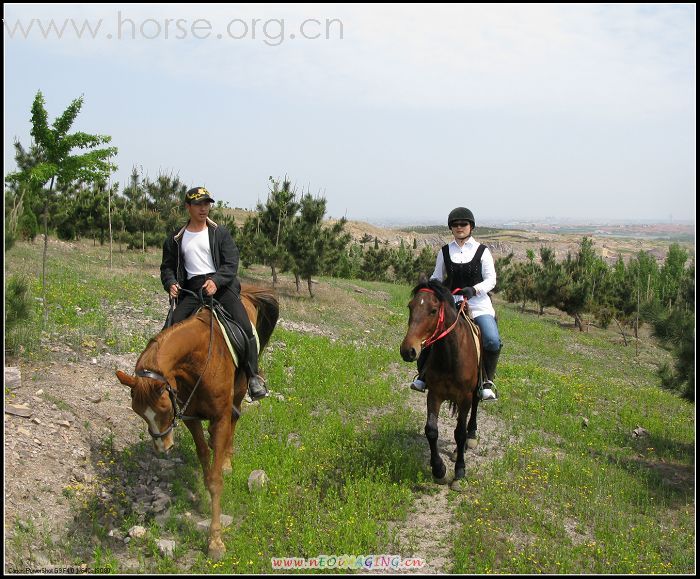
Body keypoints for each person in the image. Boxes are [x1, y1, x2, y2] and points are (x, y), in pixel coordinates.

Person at [160, 186, 268, 401]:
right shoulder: (176, 238)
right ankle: (163, 381)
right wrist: (171, 283)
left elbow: (231, 263)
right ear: (188, 207)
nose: (203, 208)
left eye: (206, 204)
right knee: (169, 330)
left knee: (245, 327)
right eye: (198, 204)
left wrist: (216, 281)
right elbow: (167, 267)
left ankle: (253, 377)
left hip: (221, 287)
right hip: (191, 290)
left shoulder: (220, 233)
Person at [410, 207, 502, 401]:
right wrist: (431, 288)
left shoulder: (482, 252)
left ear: (471, 227)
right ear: (451, 228)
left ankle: (486, 381)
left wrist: (474, 290)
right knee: (430, 333)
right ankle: (424, 376)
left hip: (478, 304)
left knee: (492, 339)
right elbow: (437, 276)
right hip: (451, 304)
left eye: (463, 224)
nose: (459, 227)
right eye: (455, 225)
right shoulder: (445, 251)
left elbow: (491, 279)